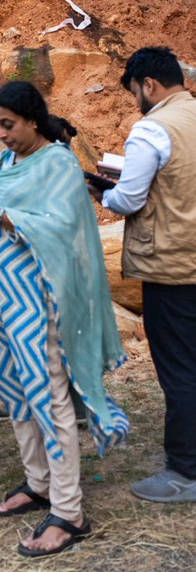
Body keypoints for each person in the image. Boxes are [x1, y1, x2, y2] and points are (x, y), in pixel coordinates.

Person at [0, 81, 128, 557]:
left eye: (8, 125)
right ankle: (38, 482)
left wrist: (2, 215)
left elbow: (64, 231)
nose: (1, 135)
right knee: (14, 389)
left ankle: (69, 510)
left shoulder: (58, 166)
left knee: (49, 395)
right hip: (0, 301)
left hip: (40, 304)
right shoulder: (0, 165)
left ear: (33, 119)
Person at [94, 47, 196, 503]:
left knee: (180, 371)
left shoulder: (152, 128)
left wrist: (104, 194)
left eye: (135, 91)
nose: (136, 99)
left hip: (172, 267)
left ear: (148, 85)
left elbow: (130, 199)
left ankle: (185, 471)